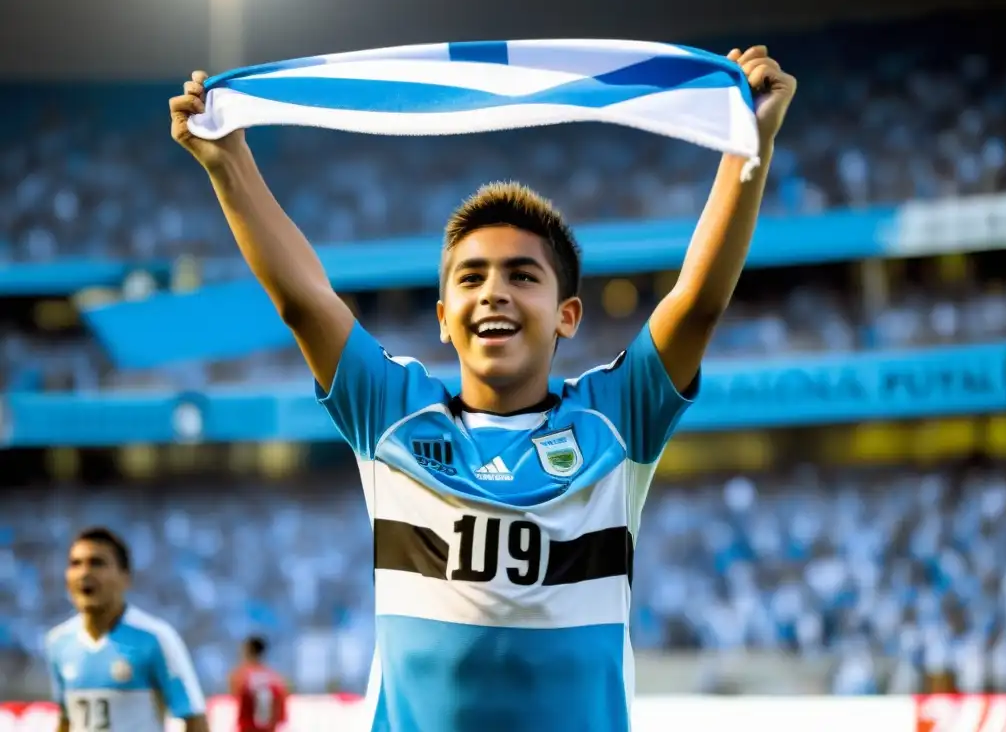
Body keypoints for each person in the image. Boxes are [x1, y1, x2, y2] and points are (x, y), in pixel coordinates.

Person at [170, 45, 796, 732]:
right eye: (470, 278)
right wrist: (228, 161)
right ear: (443, 319)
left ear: (568, 314)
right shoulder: (392, 416)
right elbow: (303, 300)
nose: (493, 291)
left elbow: (697, 302)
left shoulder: (617, 419)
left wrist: (748, 147)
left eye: (522, 276)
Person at [45, 527, 208, 732]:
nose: (84, 572)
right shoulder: (58, 642)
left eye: (97, 563)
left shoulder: (155, 638)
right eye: (75, 563)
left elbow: (194, 719)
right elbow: (66, 719)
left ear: (125, 576)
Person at [229, 636, 288, 732]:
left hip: (247, 727)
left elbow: (234, 695)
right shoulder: (275, 676)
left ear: (248, 650)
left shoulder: (240, 675)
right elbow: (281, 711)